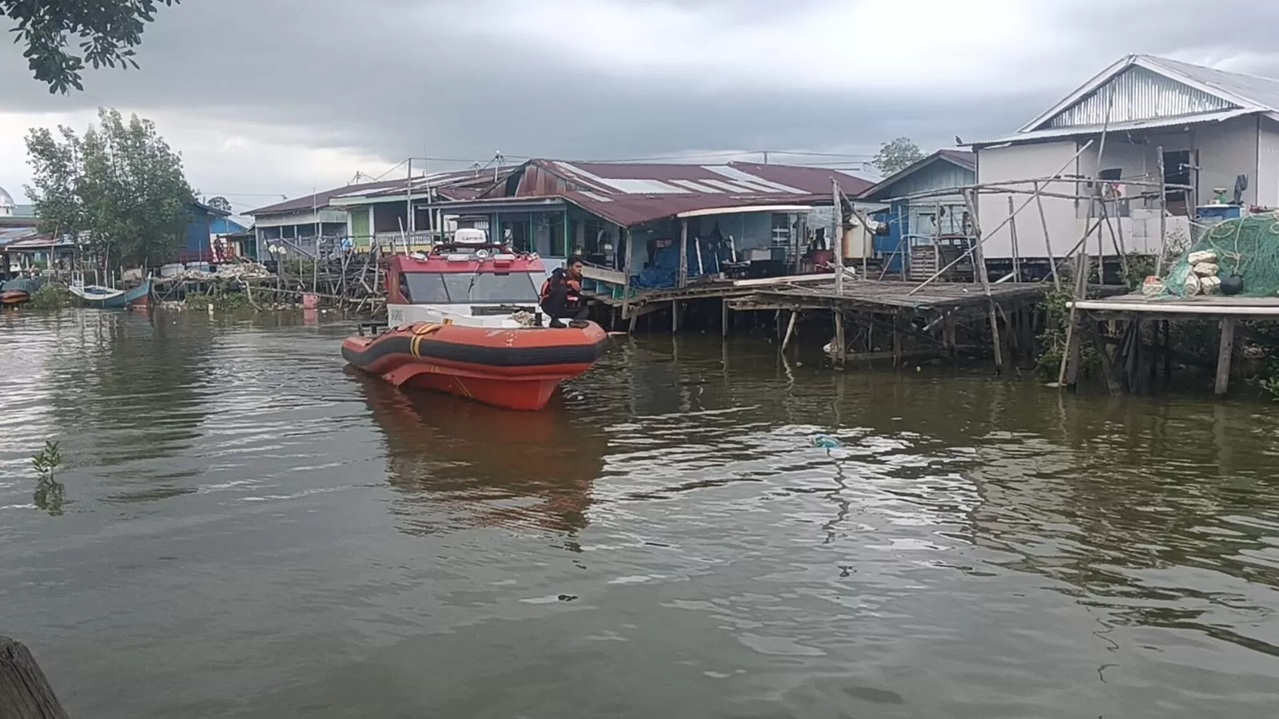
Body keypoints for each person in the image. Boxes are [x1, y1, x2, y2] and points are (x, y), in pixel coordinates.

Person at [540, 256, 589, 328]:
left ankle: (577, 321)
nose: (579, 269)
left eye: (581, 267)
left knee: (585, 307)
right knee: (561, 290)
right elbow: (554, 287)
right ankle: (554, 320)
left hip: (565, 306)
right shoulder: (559, 274)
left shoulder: (579, 278)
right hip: (549, 303)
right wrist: (569, 283)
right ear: (569, 266)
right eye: (577, 267)